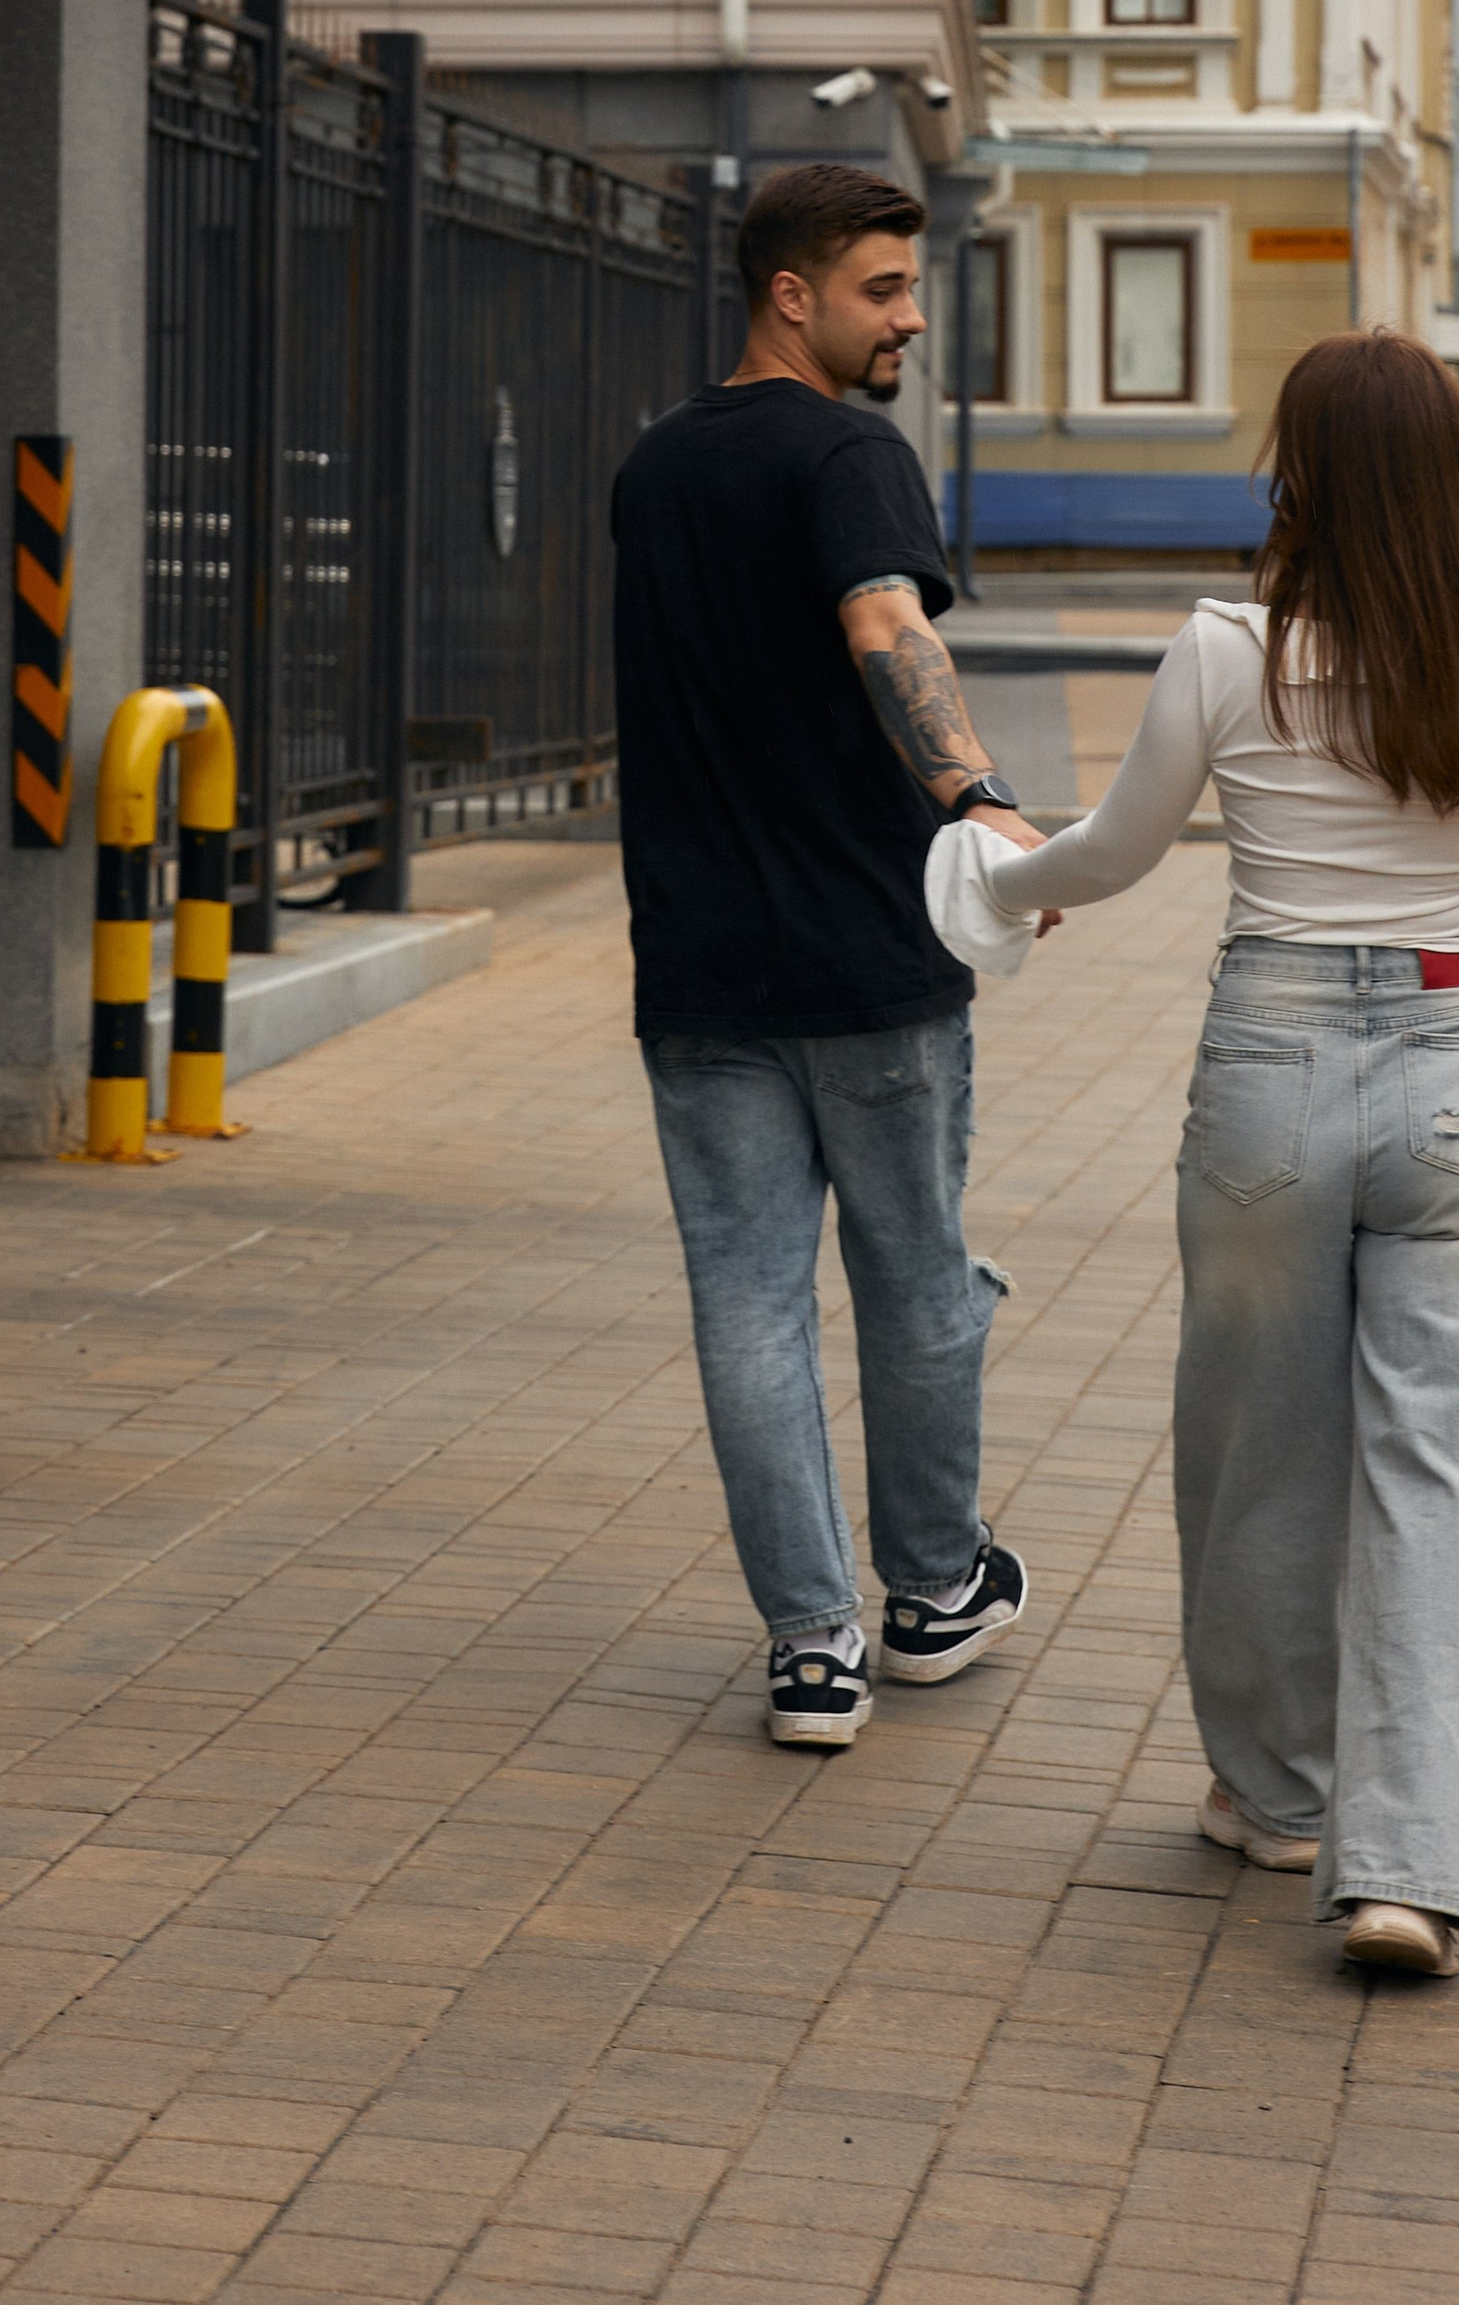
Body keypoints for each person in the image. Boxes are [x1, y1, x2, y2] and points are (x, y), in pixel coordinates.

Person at [948, 328, 1459, 1974]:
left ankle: (1277, 1796)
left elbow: (1110, 857)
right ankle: (1414, 1873)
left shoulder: (1224, 651)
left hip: (1268, 1077)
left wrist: (989, 880)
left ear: (1298, 476)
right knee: (1456, 1480)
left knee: (1257, 1453)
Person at [612, 160, 1050, 1750]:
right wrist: (983, 801)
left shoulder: (656, 470)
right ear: (790, 293)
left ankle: (813, 1650)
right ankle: (931, 1596)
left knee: (747, 1308)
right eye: (882, 289)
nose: (910, 319)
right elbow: (886, 627)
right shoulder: (851, 451)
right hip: (868, 956)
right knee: (917, 1283)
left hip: (702, 969)